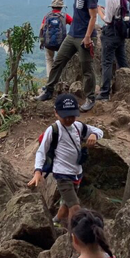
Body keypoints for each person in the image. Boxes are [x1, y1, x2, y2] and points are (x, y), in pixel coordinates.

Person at [27, 94, 103, 225]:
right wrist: (38, 171)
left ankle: (55, 221)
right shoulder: (53, 130)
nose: (68, 119)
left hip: (77, 172)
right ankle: (74, 235)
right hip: (62, 174)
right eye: (65, 116)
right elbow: (41, 151)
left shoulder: (78, 127)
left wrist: (93, 135)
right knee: (75, 207)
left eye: (72, 116)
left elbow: (99, 131)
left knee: (66, 203)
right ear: (56, 113)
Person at [37, 0, 99, 111]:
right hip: (72, 35)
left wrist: (88, 36)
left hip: (84, 37)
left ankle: (90, 98)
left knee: (87, 68)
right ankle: (49, 90)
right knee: (58, 62)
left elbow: (93, 17)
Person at [97, 0, 129, 101]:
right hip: (120, 33)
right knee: (122, 60)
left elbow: (108, 20)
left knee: (107, 62)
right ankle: (129, 86)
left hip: (111, 33)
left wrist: (99, 11)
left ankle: (104, 93)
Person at [39, 0, 73, 77]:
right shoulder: (65, 16)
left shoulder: (47, 16)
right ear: (61, 7)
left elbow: (41, 28)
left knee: (49, 59)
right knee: (62, 60)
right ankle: (62, 78)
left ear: (52, 6)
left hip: (48, 43)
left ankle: (50, 79)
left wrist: (42, 41)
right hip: (61, 43)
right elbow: (74, 24)